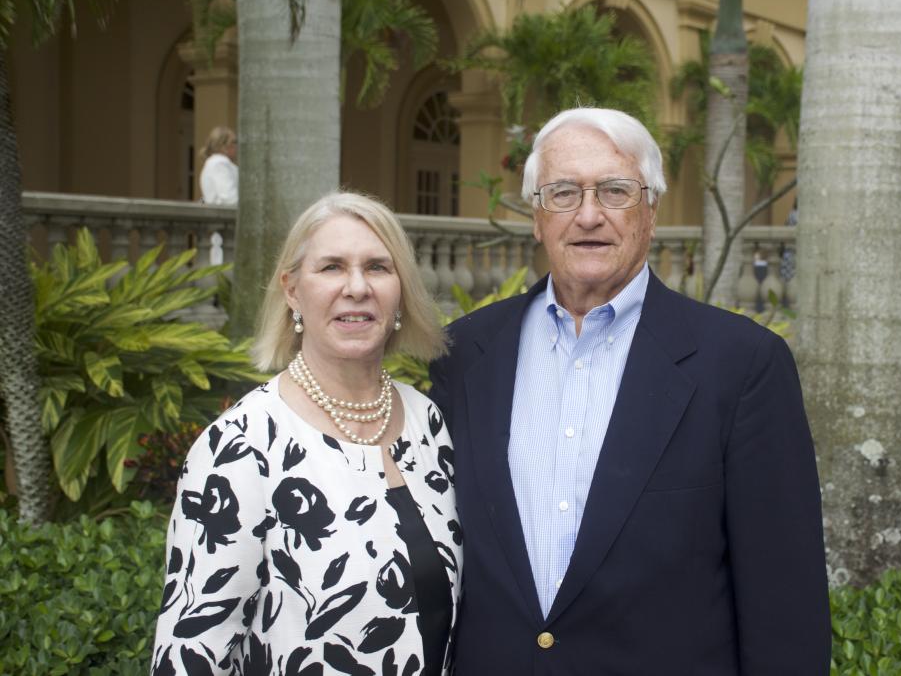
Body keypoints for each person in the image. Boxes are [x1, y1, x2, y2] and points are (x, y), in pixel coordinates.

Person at [429, 108, 830, 674]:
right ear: (537, 217)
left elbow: (784, 602)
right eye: (563, 193)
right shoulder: (464, 355)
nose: (588, 215)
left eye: (615, 191)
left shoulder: (741, 366)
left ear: (651, 212)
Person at [152, 192, 461, 675]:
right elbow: (192, 654)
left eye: (378, 267)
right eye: (332, 267)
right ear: (292, 290)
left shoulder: (428, 421)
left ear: (400, 289)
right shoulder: (241, 446)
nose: (357, 287)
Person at [198, 126, 239, 205]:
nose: (236, 146)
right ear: (223, 146)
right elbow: (229, 198)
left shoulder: (216, 162)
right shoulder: (219, 163)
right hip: (227, 215)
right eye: (234, 142)